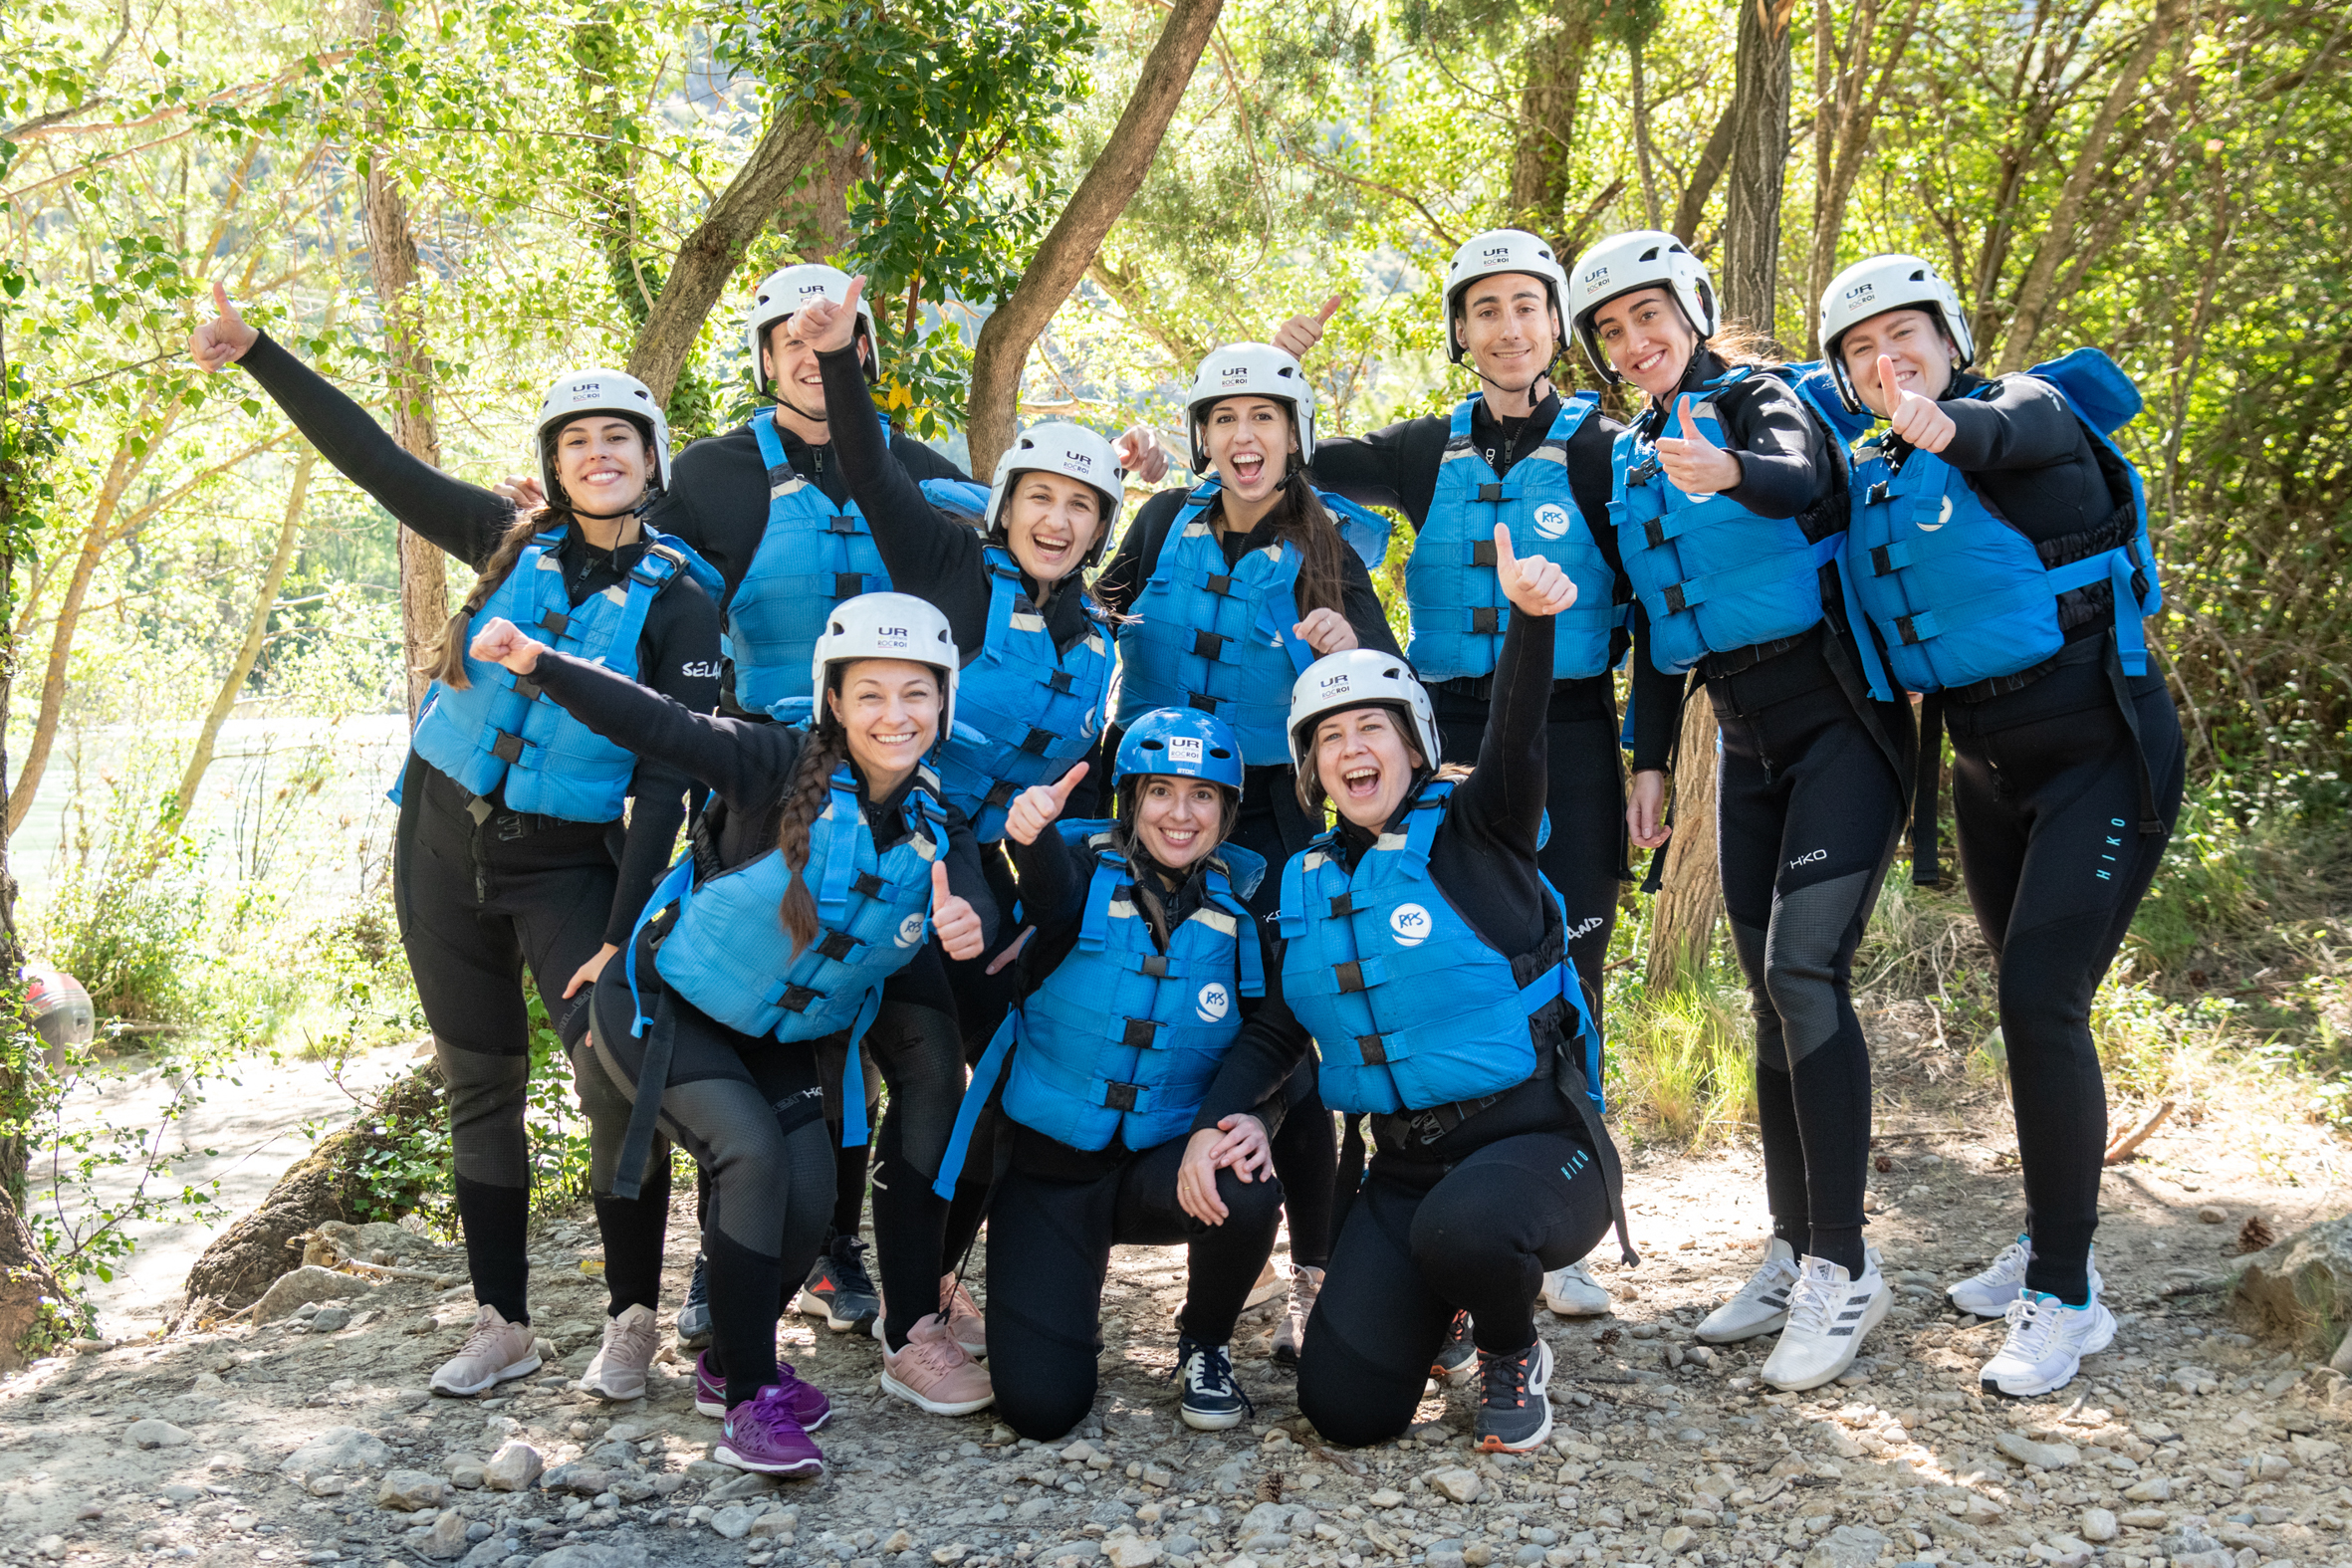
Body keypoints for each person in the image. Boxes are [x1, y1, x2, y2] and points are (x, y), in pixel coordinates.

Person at [188, 288, 724, 1402]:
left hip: (566, 861)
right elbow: (376, 464)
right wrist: (257, 353)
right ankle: (503, 1322)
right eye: (575, 441)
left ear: (650, 458)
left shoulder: (683, 602)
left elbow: (671, 782)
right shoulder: (505, 539)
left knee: (613, 1080)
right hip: (439, 836)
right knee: (478, 1078)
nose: (595, 453)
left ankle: (630, 1322)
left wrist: (622, 936)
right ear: (555, 465)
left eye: (616, 436)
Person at [1267, 228, 1688, 1336]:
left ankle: (1564, 1220)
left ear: (1556, 324)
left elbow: (1656, 618)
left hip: (1571, 732)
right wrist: (1282, 366)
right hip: (1444, 736)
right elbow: (1287, 464)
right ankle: (1437, 1195)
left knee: (1572, 973)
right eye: (1484, 311)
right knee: (1430, 962)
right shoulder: (1422, 451)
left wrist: (1653, 759)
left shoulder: (1603, 449)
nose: (1507, 329)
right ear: (1459, 332)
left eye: (1526, 307)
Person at [468, 590, 998, 1465]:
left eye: (915, 693)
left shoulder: (939, 817)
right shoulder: (773, 761)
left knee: (808, 1199)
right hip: (663, 1014)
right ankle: (751, 1398)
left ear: (943, 702)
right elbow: (666, 725)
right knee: (751, 1151)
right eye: (870, 693)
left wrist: (970, 922)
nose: (894, 714)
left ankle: (726, 1359)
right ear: (833, 700)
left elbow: (970, 888)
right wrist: (541, 662)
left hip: (774, 1036)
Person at [1818, 254, 2182, 1397]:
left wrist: (1942, 423)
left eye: (1908, 334)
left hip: (2101, 755)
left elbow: (1994, 436)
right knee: (2027, 1008)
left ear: (1950, 338)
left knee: (2040, 997)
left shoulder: (2025, 410)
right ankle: (2049, 1236)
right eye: (1862, 348)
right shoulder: (1867, 470)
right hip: (1983, 770)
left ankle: (2067, 1297)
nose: (1891, 357)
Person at [1566, 229, 1915, 1393]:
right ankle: (1790, 1246)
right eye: (1611, 331)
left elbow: (1803, 480)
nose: (1634, 341)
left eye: (1648, 317)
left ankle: (1846, 1268)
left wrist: (1727, 473)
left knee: (1805, 975)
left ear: (1693, 310)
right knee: (1772, 989)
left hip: (1842, 723)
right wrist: (1650, 759)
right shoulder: (1629, 460)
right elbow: (1666, 627)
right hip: (1747, 742)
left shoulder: (1757, 399)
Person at [793, 278, 1131, 1351]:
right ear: (1007, 503)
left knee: (996, 1084)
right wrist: (842, 362)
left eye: (1079, 506)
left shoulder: (1102, 644)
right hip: (899, 851)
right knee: (923, 1074)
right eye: (1040, 496)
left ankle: (931, 1275)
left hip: (997, 878)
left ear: (1097, 529)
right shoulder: (950, 569)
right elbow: (872, 472)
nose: (1057, 518)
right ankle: (865, 1284)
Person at [1283, 528, 1630, 1453]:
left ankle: (1513, 1346)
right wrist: (1224, 1119)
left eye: (1373, 729)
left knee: (1466, 1231)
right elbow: (1279, 1030)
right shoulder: (1308, 881)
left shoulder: (1481, 824)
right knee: (1344, 1413)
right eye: (1330, 737)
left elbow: (1518, 735)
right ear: (1312, 768)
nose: (1352, 750)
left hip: (1536, 1146)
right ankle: (1454, 1311)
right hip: (1403, 1168)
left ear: (1415, 746)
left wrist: (1530, 620)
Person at [1094, 341, 1407, 1363]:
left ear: (1292, 436)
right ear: (1201, 438)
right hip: (1152, 805)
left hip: (1269, 811)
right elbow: (1085, 605)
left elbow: (1386, 683)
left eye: (1263, 419)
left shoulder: (1327, 545)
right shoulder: (1159, 521)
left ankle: (1309, 1277)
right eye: (1224, 420)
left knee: (1288, 1039)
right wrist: (1104, 477)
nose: (1243, 438)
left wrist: (1344, 650)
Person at [929, 709, 1308, 1439]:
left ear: (1228, 810)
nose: (1180, 812)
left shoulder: (1249, 909)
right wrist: (1031, 833)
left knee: (1246, 1178)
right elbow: (1047, 889)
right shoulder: (1075, 875)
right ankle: (1057, 1310)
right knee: (1041, 1409)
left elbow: (1279, 1037)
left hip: (1161, 1167)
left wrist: (1246, 1123)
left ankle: (1205, 1340)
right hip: (1050, 1170)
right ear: (1130, 800)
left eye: (1202, 795)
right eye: (1161, 790)